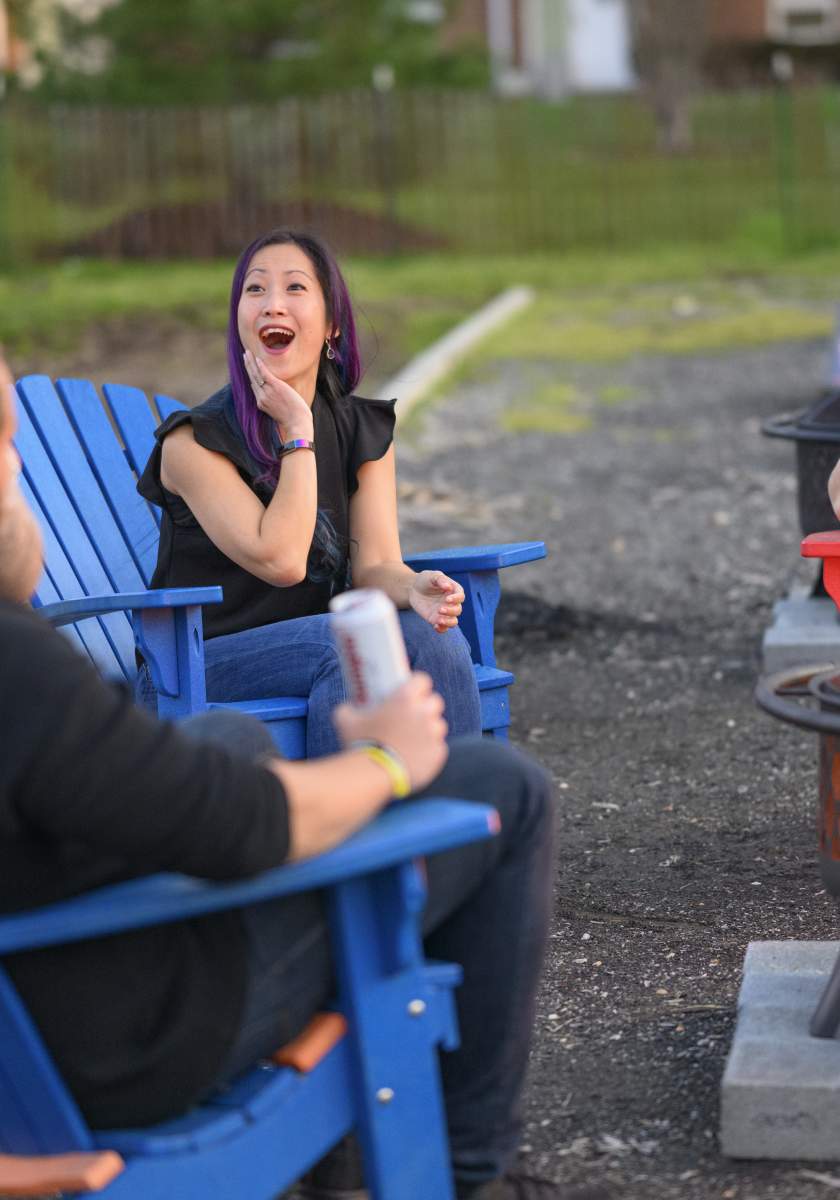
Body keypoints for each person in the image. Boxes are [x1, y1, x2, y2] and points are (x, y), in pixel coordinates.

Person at [0, 355, 609, 1200]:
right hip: (125, 1035)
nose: (17, 466)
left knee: (222, 736)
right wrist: (385, 762)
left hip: (47, 998)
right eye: (4, 445)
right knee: (503, 789)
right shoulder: (18, 668)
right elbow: (242, 824)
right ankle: (467, 1174)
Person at [136, 228, 481, 757]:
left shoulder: (359, 427)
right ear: (240, 321)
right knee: (345, 647)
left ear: (332, 325)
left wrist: (412, 586)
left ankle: (458, 821)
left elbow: (375, 566)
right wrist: (298, 434)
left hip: (314, 645)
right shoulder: (193, 443)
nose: (272, 304)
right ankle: (343, 832)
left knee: (435, 636)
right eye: (255, 291)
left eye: (295, 288)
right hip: (194, 667)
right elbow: (282, 561)